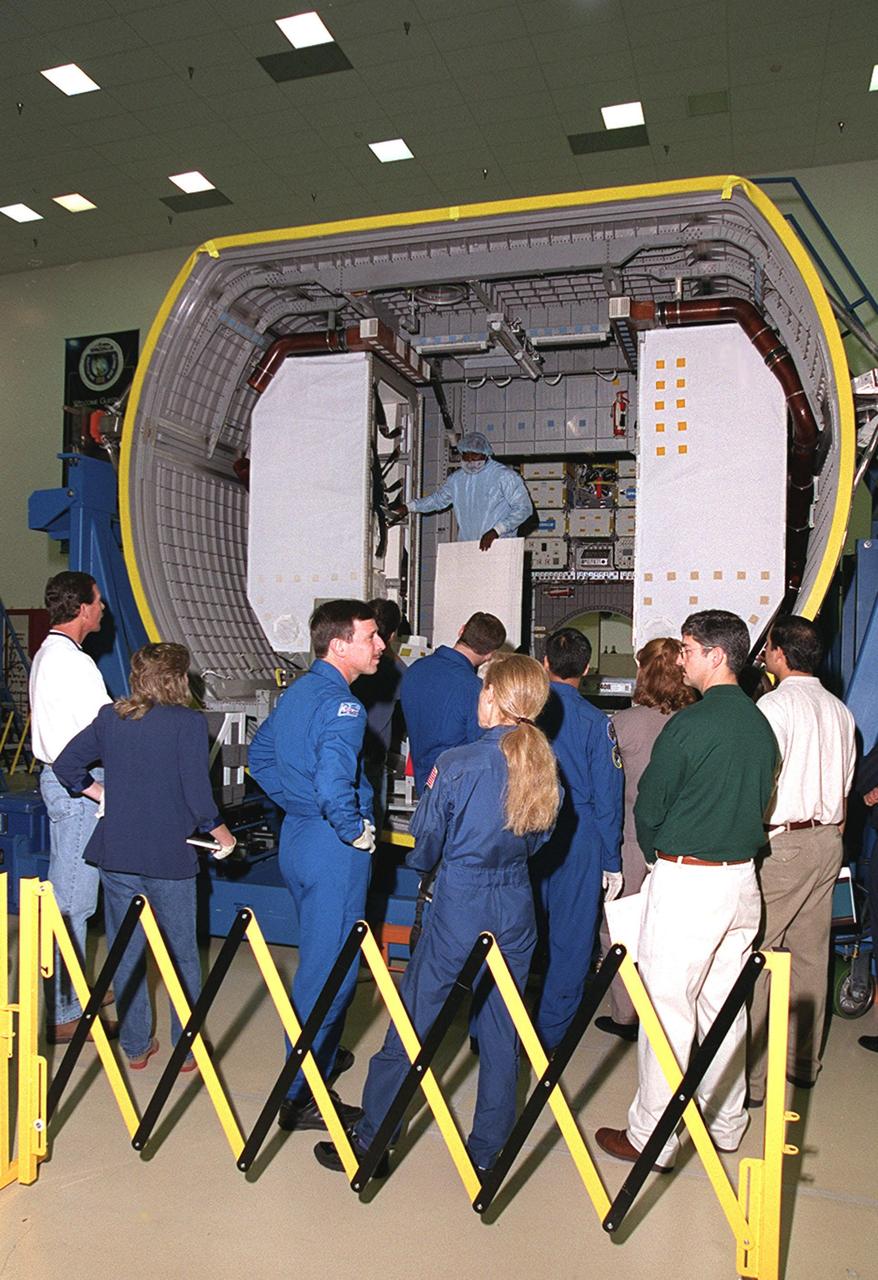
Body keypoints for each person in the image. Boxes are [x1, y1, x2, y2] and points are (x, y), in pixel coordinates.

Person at [312, 654, 561, 1176]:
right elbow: (540, 840)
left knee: (413, 1020)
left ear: (491, 696)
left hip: (460, 902)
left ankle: (373, 1138)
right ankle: (488, 1152)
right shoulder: (542, 765)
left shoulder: (458, 763)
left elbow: (427, 842)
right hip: (516, 903)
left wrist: (432, 866)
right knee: (501, 1028)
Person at [596, 610, 778, 1173]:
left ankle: (652, 1134)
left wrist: (656, 858)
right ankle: (725, 1123)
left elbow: (648, 807)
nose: (681, 659)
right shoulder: (759, 724)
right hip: (741, 880)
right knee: (725, 1007)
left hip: (688, 880)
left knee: (666, 1009)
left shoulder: (691, 725)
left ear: (715, 657)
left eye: (688, 650)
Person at [53, 643, 235, 1069]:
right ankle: (187, 1049)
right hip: (169, 857)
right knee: (181, 954)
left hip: (118, 854)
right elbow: (196, 792)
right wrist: (221, 833)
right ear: (178, 678)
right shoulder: (188, 723)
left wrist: (101, 793)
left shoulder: (110, 717)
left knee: (126, 949)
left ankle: (135, 1047)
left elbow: (66, 767)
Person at [248, 599, 384, 1132]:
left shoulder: (301, 691)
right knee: (332, 976)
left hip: (299, 840)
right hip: (333, 850)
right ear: (339, 644)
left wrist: (299, 803)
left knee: (317, 959)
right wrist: (351, 827)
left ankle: (319, 1055)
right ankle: (300, 1095)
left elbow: (261, 758)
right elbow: (334, 785)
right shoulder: (344, 707)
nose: (380, 646)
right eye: (370, 637)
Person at [747, 615, 856, 1098]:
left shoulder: (773, 706)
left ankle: (750, 1077)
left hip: (784, 844)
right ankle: (802, 1064)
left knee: (758, 955)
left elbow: (761, 783)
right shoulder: (840, 710)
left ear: (778, 653)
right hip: (828, 840)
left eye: (767, 646)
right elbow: (846, 790)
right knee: (812, 957)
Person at [28, 571, 118, 1044]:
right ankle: (65, 1014)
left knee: (73, 899)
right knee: (72, 905)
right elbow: (104, 729)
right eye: (99, 601)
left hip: (66, 784)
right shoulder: (74, 664)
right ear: (82, 608)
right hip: (78, 788)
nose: (103, 609)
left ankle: (75, 991)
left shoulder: (53, 654)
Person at [596, 637, 696, 1042]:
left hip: (631, 841)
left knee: (618, 931)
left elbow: (605, 790)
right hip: (683, 845)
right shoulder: (695, 723)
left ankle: (626, 1015)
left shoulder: (623, 725)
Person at [532, 627, 623, 1052]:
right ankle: (552, 1038)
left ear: (544, 663)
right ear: (586, 670)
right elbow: (609, 797)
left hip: (526, 826)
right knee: (570, 942)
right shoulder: (596, 723)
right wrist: (612, 860)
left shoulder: (525, 714)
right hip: (578, 835)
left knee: (512, 934)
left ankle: (491, 1029)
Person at [401, 611, 506, 794]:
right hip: (459, 790)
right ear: (490, 654)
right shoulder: (474, 689)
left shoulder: (414, 670)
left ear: (461, 630)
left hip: (424, 783)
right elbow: (482, 747)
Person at [391, 431, 533, 550]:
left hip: (499, 546)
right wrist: (408, 507)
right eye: (466, 455)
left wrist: (497, 531)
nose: (470, 460)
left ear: (485, 454)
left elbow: (524, 509)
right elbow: (437, 500)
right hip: (468, 548)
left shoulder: (504, 476)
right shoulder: (457, 480)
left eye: (475, 455)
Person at [351, 598, 407, 831]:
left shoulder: (350, 664)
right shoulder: (397, 671)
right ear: (392, 635)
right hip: (373, 760)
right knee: (370, 826)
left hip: (346, 754)